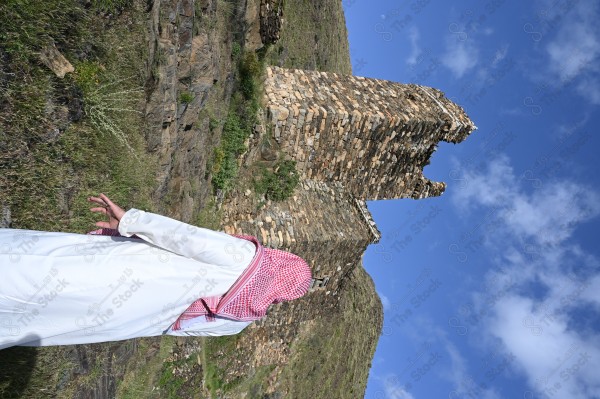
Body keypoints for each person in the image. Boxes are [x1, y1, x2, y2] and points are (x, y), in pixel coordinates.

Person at [0, 194, 312, 349]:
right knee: (41, 318)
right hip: (119, 317)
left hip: (121, 268)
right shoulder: (237, 322)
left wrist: (128, 221)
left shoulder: (244, 257)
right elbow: (178, 329)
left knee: (31, 268)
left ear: (281, 261)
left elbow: (184, 237)